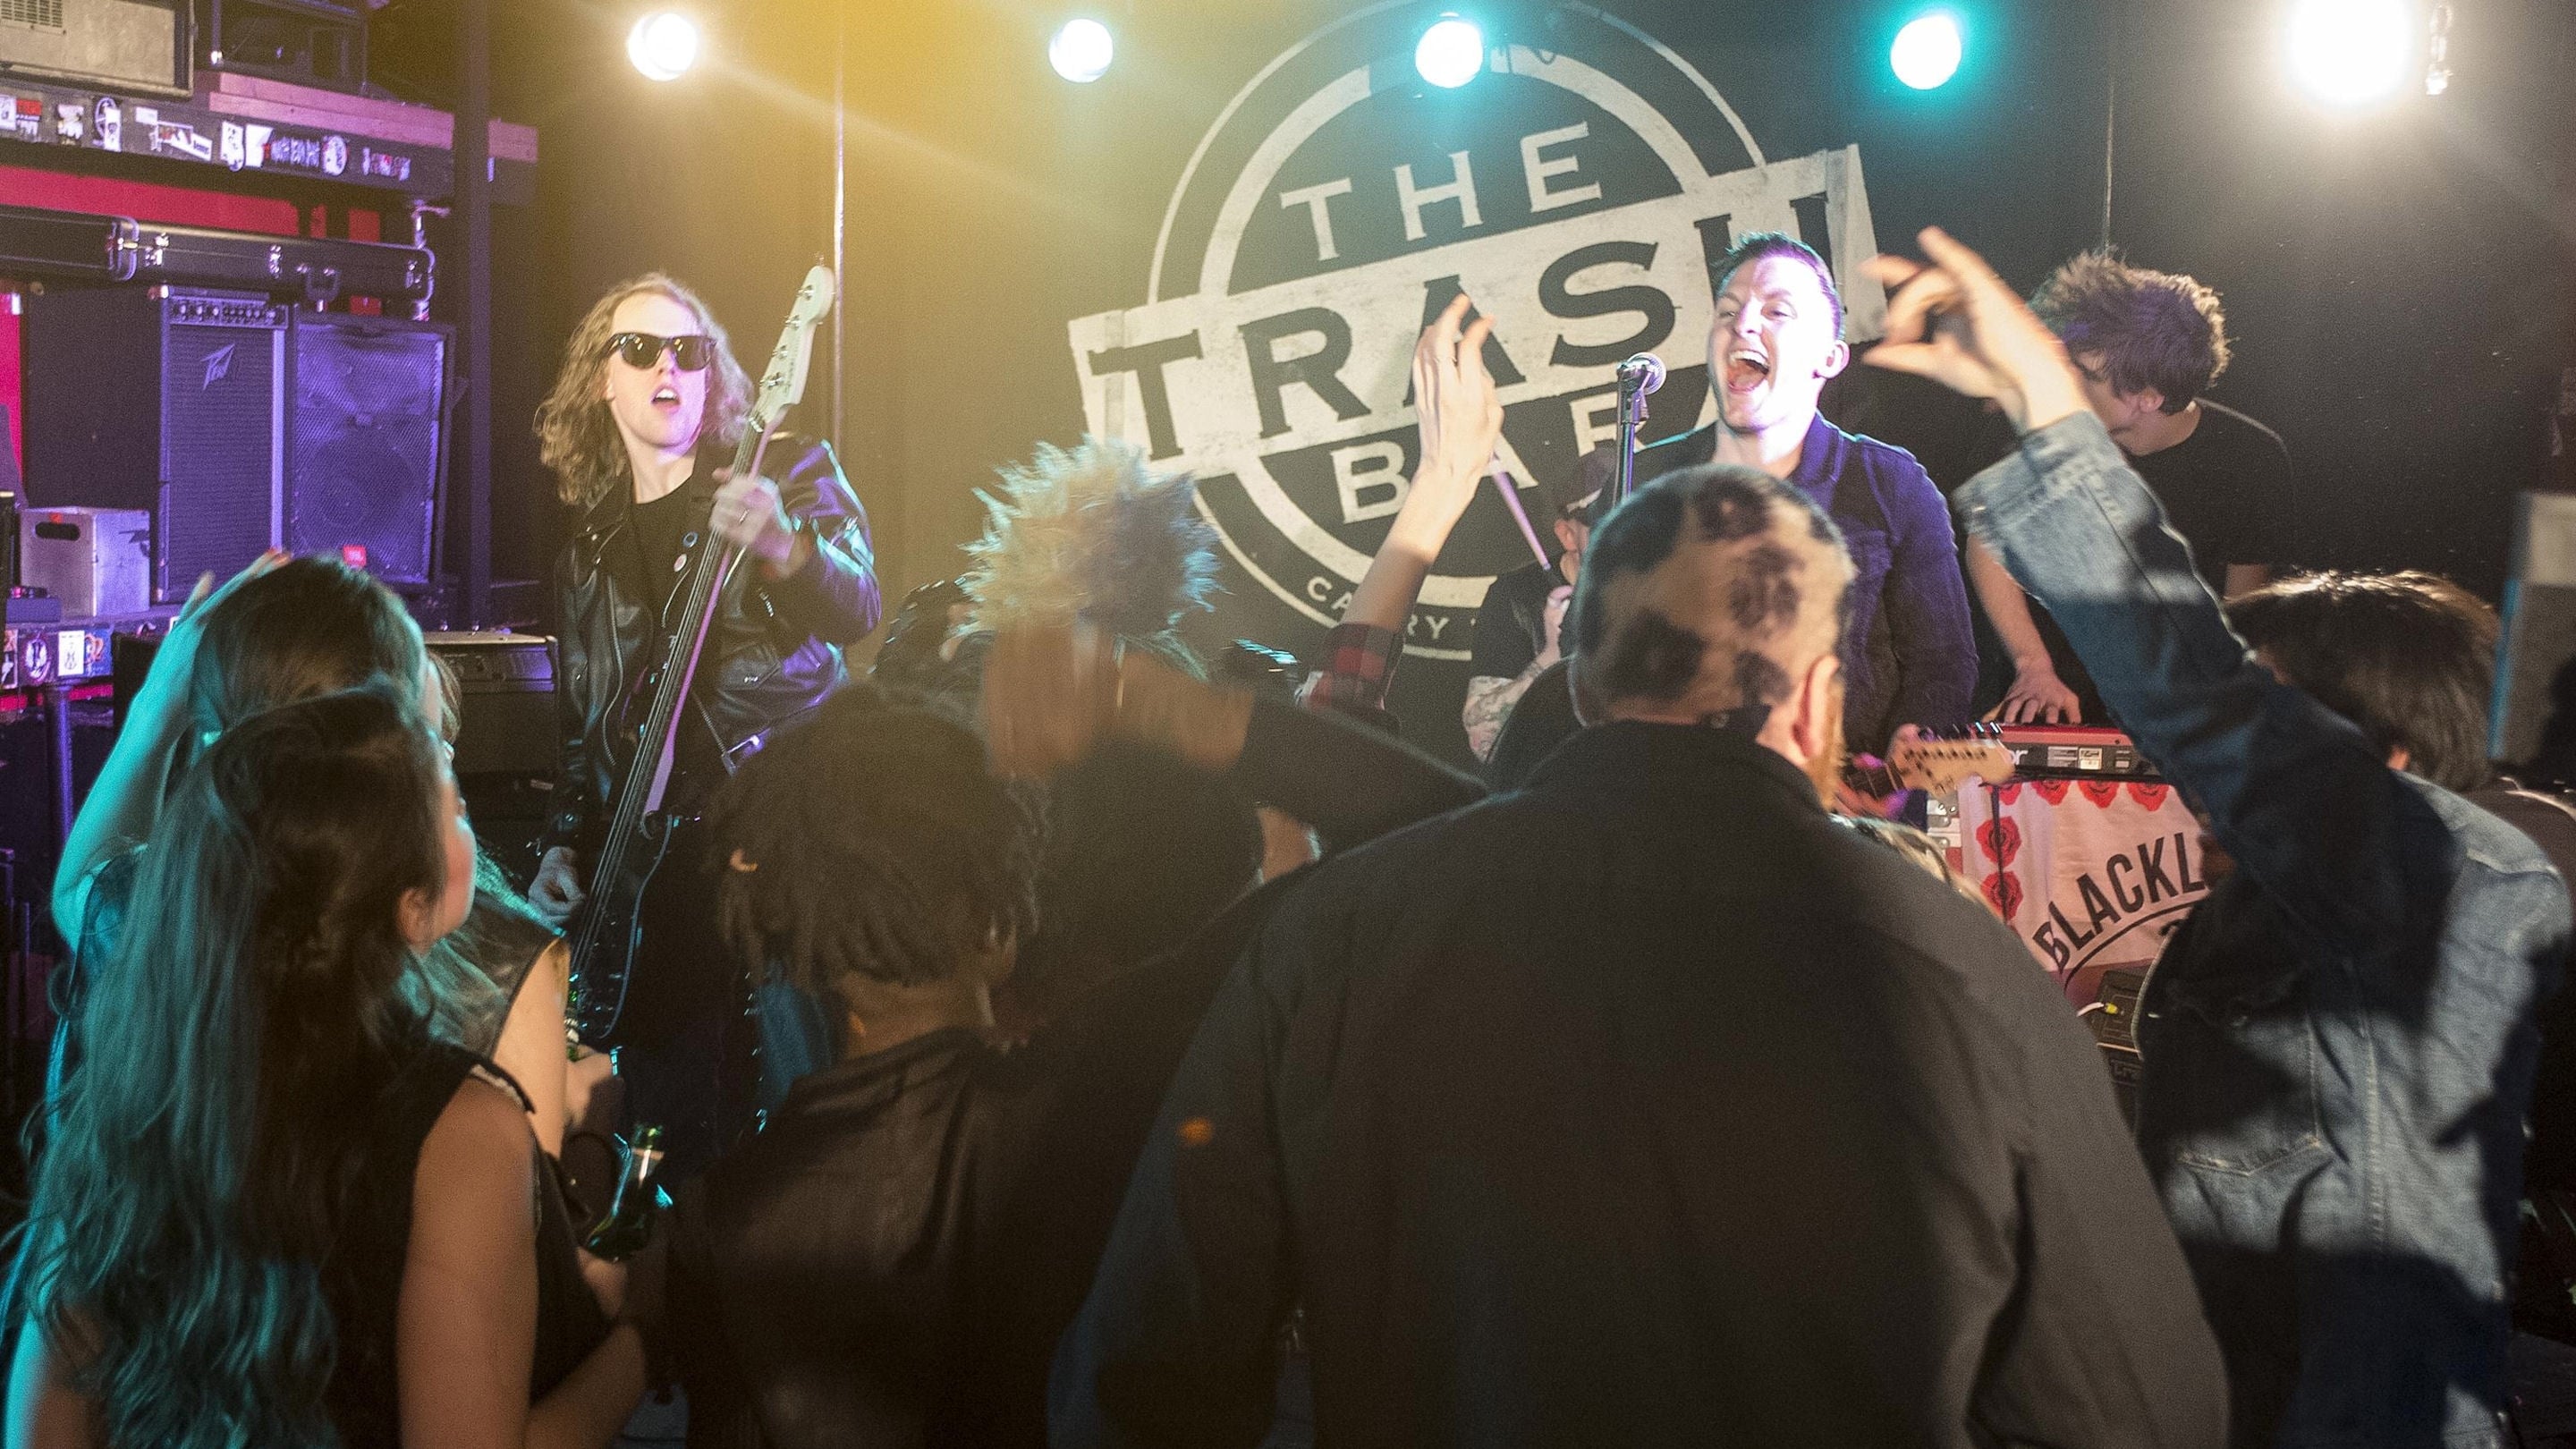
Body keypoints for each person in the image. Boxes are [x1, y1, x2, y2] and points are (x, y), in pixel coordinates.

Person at [1052, 460, 2224, 1445]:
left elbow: (1145, 1374)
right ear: (1820, 702)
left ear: (1579, 681)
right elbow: (2139, 1410)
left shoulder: (1336, 934)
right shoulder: (1961, 970)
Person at [1867, 225, 2567, 1447]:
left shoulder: (2444, 887)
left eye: (2271, 727)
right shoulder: (2276, 920)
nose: (2202, 777)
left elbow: (2193, 684)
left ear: (2384, 767)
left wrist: (2046, 410)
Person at [7, 687, 650, 1448]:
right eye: (451, 805)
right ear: (411, 906)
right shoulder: (462, 1131)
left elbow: (41, 1430)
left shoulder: (133, 1101)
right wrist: (639, 1345)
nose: (465, 808)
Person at [529, 273, 880, 1175]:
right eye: (640, 349)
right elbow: (582, 734)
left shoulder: (782, 470)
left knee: (793, 1127)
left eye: (688, 351)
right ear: (603, 380)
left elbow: (860, 608)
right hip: (654, 888)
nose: (667, 368)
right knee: (666, 1141)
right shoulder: (586, 556)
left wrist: (782, 546)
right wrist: (563, 845)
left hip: (776, 856)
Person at [44, 555, 572, 1153]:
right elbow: (525, 1192)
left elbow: (80, 890)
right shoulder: (499, 961)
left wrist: (156, 708)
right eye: (428, 740)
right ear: (381, 745)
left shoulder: (163, 912)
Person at [1622, 231, 1979, 754]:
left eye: (1777, 312)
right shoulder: (1645, 481)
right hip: (1681, 788)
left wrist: (1909, 743)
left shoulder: (1889, 483)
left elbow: (1944, 662)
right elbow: (1594, 658)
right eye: (1728, 311)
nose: (1743, 324)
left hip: (1840, 790)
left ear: (1830, 358)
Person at [1972, 251, 2297, 723]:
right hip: (2050, 695)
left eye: (2084, 376)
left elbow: (2243, 608)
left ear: (2147, 397)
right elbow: (1989, 548)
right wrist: (2033, 665)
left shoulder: (2250, 458)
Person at [1461, 450, 1603, 759]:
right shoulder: (1516, 597)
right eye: (1604, 522)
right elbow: (1482, 736)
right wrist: (1552, 656)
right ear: (1568, 535)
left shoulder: (1668, 588)